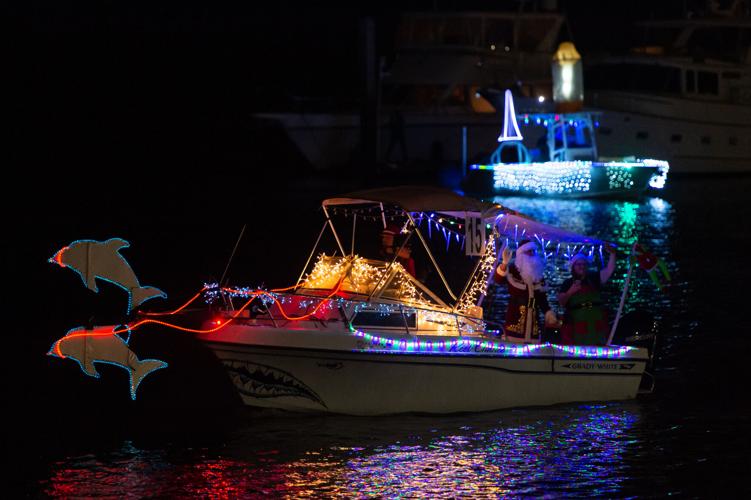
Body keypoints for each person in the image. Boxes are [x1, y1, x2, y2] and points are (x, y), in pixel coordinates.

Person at [494, 239, 558, 341]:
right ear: (521, 255)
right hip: (515, 317)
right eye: (529, 251)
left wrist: (548, 312)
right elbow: (498, 279)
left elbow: (542, 299)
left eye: (534, 251)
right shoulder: (512, 270)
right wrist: (504, 264)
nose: (532, 254)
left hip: (533, 321)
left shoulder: (538, 275)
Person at [557, 245, 617, 345]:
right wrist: (570, 291)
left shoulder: (594, 279)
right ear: (573, 267)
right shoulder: (567, 283)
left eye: (584, 264)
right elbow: (562, 302)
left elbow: (609, 270)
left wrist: (613, 253)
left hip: (596, 321)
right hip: (578, 323)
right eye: (578, 264)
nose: (582, 266)